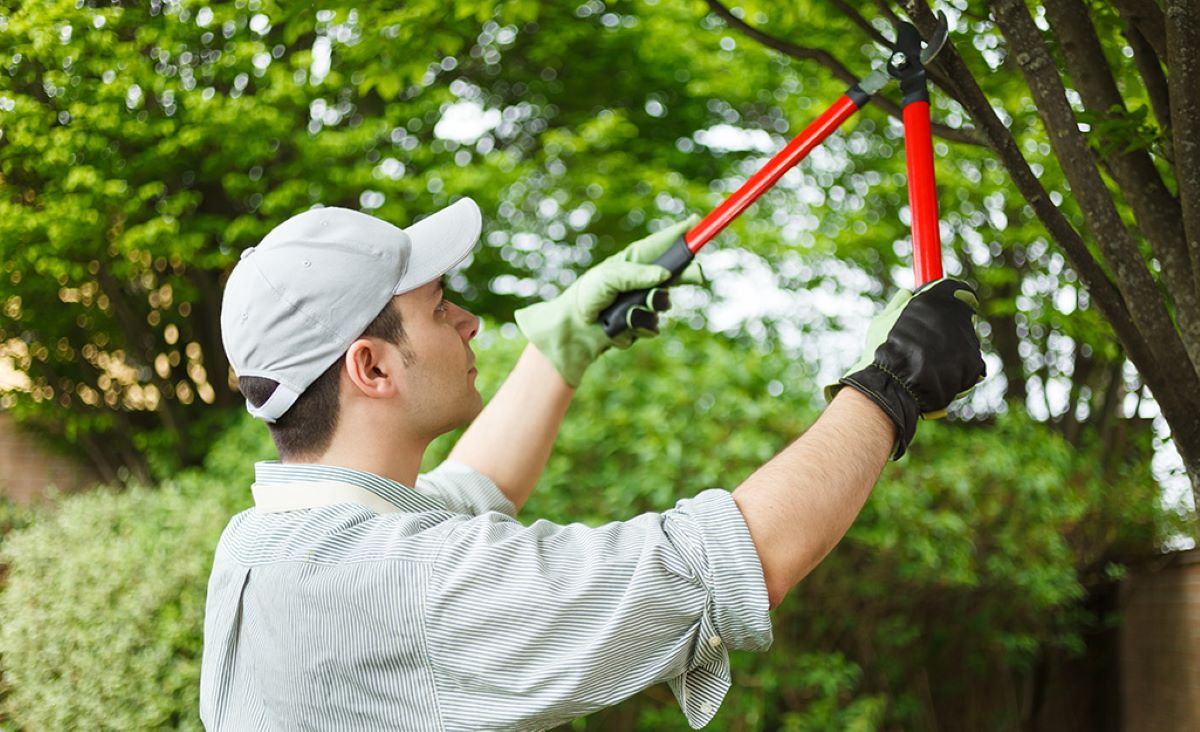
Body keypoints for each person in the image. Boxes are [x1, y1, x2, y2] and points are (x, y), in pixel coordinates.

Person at [201, 197, 984, 730]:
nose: (468, 322)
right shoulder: (403, 583)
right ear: (371, 367)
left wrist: (569, 339)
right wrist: (891, 387)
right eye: (439, 308)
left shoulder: (266, 544)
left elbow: (476, 490)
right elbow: (722, 564)